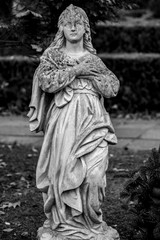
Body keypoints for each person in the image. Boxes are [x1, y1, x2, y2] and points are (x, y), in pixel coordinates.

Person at [28, 4, 120, 240]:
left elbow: (112, 87)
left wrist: (90, 74)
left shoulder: (94, 59)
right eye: (67, 23)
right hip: (65, 121)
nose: (72, 27)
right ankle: (63, 225)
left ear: (85, 29)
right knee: (63, 174)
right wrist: (78, 70)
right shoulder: (53, 56)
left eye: (77, 23)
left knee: (94, 177)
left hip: (94, 122)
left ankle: (92, 224)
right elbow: (47, 82)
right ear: (61, 28)